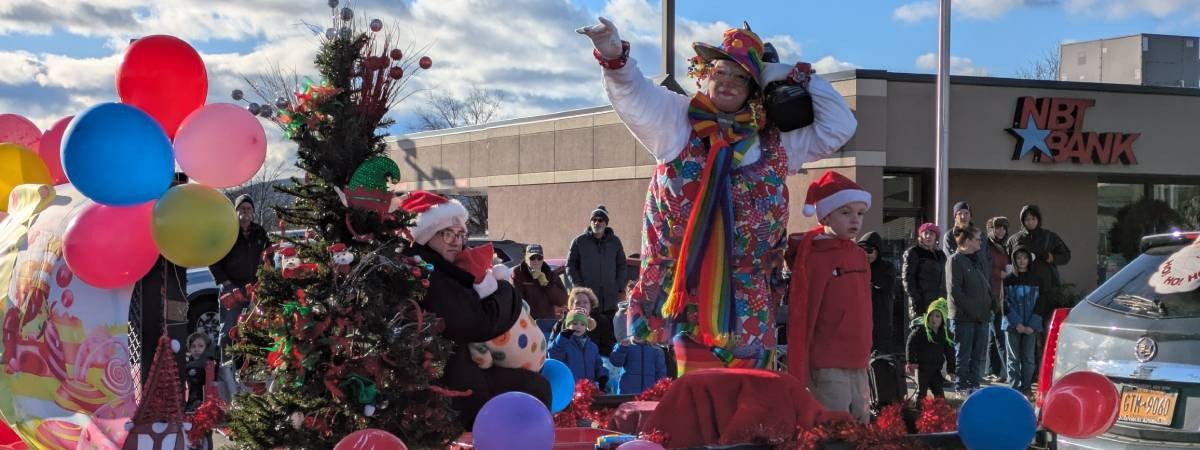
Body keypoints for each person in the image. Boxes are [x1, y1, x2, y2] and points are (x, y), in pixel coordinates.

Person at [577, 17, 857, 371]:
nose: (727, 82)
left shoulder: (775, 142)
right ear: (704, 74)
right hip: (676, 300)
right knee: (683, 396)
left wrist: (788, 74)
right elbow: (633, 94)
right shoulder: (676, 120)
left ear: (756, 88)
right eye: (720, 72)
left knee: (747, 397)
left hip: (748, 307)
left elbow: (841, 125)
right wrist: (613, 55)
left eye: (740, 77)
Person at [397, 191, 551, 428]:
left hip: (464, 377)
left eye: (460, 234)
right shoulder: (427, 274)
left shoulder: (450, 269)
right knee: (535, 389)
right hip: (453, 390)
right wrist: (506, 293)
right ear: (426, 236)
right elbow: (477, 322)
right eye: (447, 234)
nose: (456, 242)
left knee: (536, 387)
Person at [786, 171, 873, 422]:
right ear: (825, 216)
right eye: (845, 212)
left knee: (862, 427)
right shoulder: (815, 256)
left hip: (859, 359)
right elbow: (804, 311)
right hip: (827, 363)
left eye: (860, 213)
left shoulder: (858, 255)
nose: (855, 219)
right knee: (833, 429)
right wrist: (801, 365)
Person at [131, 172, 192, 383]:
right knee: (148, 331)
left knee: (175, 326)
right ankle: (150, 382)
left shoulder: (184, 222)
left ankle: (173, 382)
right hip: (149, 281)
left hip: (175, 282)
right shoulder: (149, 215)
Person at [210, 194, 270, 356]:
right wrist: (226, 283)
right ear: (235, 211)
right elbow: (213, 259)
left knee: (257, 328)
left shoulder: (259, 232)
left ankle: (252, 365)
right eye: (242, 208)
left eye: (249, 208)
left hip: (255, 288)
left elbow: (269, 255)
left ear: (253, 212)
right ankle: (225, 365)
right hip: (232, 288)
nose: (246, 211)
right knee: (229, 329)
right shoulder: (227, 232)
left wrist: (265, 278)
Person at [946, 226, 996, 393]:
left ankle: (974, 386)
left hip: (981, 317)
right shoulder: (955, 260)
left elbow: (985, 284)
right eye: (977, 239)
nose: (980, 242)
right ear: (967, 241)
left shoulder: (977, 259)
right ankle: (961, 388)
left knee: (977, 356)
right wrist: (974, 311)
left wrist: (991, 304)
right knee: (963, 355)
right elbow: (955, 292)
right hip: (964, 318)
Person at [1006, 204, 1072, 316]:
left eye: (1033, 219)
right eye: (1027, 219)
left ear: (1038, 219)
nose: (1030, 222)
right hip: (1022, 288)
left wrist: (1052, 257)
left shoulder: (1049, 237)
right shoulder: (1015, 239)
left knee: (1044, 320)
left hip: (1046, 287)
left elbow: (1066, 255)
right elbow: (1007, 261)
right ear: (1022, 221)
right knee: (1023, 320)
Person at [566, 205, 627, 322]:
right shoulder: (579, 242)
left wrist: (618, 286)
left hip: (610, 302)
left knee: (609, 331)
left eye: (600, 220)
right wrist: (579, 287)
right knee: (589, 330)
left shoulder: (615, 242)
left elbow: (622, 265)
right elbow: (570, 266)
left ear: (606, 223)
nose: (596, 223)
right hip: (588, 302)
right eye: (594, 220)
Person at [1002, 245, 1047, 397]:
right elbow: (1003, 303)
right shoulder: (1007, 280)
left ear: (1029, 260)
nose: (1022, 261)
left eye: (1025, 258)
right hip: (1012, 325)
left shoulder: (1037, 280)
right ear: (1014, 260)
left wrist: (1032, 325)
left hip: (1031, 326)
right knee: (1013, 358)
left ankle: (1027, 387)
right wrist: (1017, 323)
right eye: (1018, 258)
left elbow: (1042, 302)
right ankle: (1014, 388)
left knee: (1028, 357)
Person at [906, 299, 956, 401]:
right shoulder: (921, 330)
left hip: (936, 369)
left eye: (937, 316)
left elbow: (950, 353)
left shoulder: (945, 334)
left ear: (943, 319)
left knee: (939, 394)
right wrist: (911, 361)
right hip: (922, 368)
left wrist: (951, 371)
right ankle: (917, 407)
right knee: (921, 393)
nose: (934, 318)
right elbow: (910, 343)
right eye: (931, 315)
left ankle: (940, 409)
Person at [859, 231, 897, 354]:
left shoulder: (887, 267)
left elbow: (884, 287)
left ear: (877, 252)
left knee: (880, 358)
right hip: (858, 321)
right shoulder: (854, 267)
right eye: (861, 250)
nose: (865, 254)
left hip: (880, 322)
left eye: (869, 250)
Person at [983, 217, 1012, 383]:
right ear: (991, 230)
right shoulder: (986, 246)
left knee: (993, 334)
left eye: (1003, 228)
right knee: (999, 333)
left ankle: (991, 370)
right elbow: (984, 266)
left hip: (1002, 293)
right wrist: (998, 273)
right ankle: (1007, 372)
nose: (1001, 231)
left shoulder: (1005, 247)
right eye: (997, 228)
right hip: (991, 294)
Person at [548, 309, 608, 387]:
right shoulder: (563, 344)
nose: (579, 327)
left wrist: (602, 376)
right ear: (568, 326)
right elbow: (554, 354)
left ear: (586, 327)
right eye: (575, 323)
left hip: (589, 388)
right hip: (571, 387)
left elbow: (598, 365)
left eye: (582, 324)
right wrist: (561, 339)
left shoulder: (592, 347)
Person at [902, 223, 947, 322]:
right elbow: (907, 279)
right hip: (920, 303)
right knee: (921, 329)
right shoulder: (914, 252)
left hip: (938, 302)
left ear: (936, 237)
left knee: (938, 330)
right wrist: (916, 299)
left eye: (931, 234)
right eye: (925, 233)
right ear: (920, 236)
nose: (928, 236)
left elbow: (945, 277)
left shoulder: (941, 254)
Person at [513, 244, 568, 320]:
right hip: (529, 322)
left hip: (551, 321)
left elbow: (563, 300)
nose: (536, 261)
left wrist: (546, 284)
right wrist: (550, 310)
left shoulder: (549, 273)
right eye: (532, 258)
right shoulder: (519, 274)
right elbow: (520, 304)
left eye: (539, 258)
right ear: (525, 258)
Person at [184, 332, 214, 412]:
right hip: (187, 405)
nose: (196, 349)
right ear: (189, 349)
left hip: (201, 406)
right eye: (193, 346)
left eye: (200, 346)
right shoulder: (187, 364)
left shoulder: (208, 364)